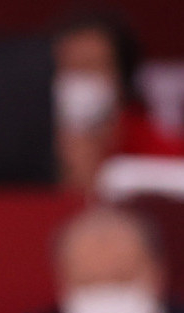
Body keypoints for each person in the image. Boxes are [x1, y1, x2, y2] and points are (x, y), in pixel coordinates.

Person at [7, 204, 183, 313]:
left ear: (157, 273)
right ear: (63, 282)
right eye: (89, 282)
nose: (106, 292)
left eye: (120, 278)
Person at [53, 10, 184, 193]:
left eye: (91, 66)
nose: (78, 79)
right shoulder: (27, 147)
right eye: (68, 67)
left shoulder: (161, 151)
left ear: (121, 78)